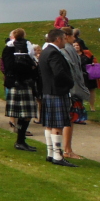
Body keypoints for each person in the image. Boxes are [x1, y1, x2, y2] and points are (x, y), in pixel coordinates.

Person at [40, 28, 77, 167]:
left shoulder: (45, 52)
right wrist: (70, 82)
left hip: (48, 90)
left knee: (50, 124)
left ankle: (51, 153)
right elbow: (59, 73)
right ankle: (57, 156)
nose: (65, 41)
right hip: (57, 91)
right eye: (63, 38)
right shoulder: (54, 53)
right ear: (58, 39)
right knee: (57, 125)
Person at [2, 29, 38, 152]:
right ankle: (20, 141)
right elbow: (31, 65)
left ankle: (20, 140)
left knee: (25, 115)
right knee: (26, 115)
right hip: (23, 82)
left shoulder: (7, 48)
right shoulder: (26, 47)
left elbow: (7, 68)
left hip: (16, 83)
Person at [60, 27, 90, 159]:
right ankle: (67, 149)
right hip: (71, 90)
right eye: (72, 36)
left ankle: (67, 148)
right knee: (68, 120)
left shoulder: (68, 49)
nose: (74, 38)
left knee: (70, 120)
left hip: (72, 88)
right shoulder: (65, 50)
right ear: (66, 36)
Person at [74, 29, 96, 111]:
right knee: (80, 91)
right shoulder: (72, 56)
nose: (76, 47)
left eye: (77, 45)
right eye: (74, 45)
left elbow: (92, 60)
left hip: (88, 74)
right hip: (79, 75)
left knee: (91, 90)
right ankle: (80, 106)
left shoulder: (86, 54)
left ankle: (92, 106)